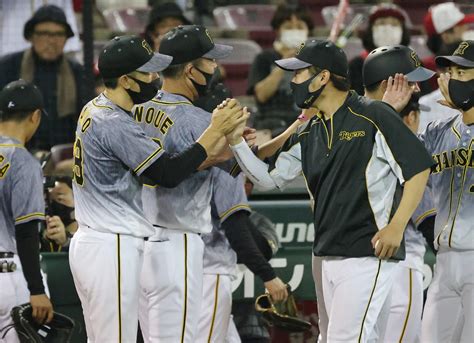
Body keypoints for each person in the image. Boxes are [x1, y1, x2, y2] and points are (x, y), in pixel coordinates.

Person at [227, 39, 434, 342]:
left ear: (322, 77)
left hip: (367, 252)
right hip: (326, 252)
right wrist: (236, 144)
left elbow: (418, 168)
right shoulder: (311, 127)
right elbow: (268, 179)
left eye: (298, 74)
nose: (293, 81)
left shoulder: (374, 114)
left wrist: (397, 226)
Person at [68, 34, 247, 342]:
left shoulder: (95, 108)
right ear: (125, 80)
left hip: (96, 241)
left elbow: (156, 171)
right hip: (112, 243)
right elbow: (166, 173)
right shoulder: (114, 121)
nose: (154, 78)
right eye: (146, 72)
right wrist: (214, 133)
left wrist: (210, 154)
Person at [133, 25, 266, 342]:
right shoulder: (201, 121)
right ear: (191, 69)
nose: (216, 68)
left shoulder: (136, 112)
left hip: (139, 246)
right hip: (181, 244)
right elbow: (251, 169)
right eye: (210, 62)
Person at [361, 45, 436, 343]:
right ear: (387, 84)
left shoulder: (347, 120)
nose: (417, 88)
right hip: (397, 261)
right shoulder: (390, 135)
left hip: (357, 261)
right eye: (410, 80)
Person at [420, 40, 474, 343]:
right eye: (450, 71)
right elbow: (400, 165)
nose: (453, 79)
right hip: (444, 261)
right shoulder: (437, 132)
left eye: (463, 72)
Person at [197, 169, 287, 342]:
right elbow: (237, 233)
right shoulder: (224, 170)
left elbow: (264, 250)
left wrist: (237, 207)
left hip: (197, 275)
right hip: (208, 273)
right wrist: (268, 276)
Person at [0, 80, 53, 341]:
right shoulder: (22, 161)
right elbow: (26, 232)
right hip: (10, 279)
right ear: (35, 116)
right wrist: (36, 289)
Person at [0, 5, 91, 151]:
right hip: (15, 152)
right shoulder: (7, 67)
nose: (52, 41)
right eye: (44, 33)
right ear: (31, 36)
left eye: (59, 34)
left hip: (66, 157)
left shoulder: (79, 73)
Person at [247, 3, 314, 135]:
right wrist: (285, 63)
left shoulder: (317, 60)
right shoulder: (264, 58)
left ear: (308, 31)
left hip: (306, 123)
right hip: (272, 125)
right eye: (288, 27)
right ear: (278, 30)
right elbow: (261, 95)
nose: (295, 31)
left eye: (300, 27)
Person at [348, 3, 411, 96]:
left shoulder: (413, 63)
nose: (388, 28)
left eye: (394, 24)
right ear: (371, 29)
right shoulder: (357, 65)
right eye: (381, 23)